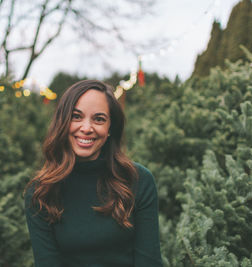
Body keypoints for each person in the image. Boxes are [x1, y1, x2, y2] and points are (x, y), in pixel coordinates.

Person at [24, 80, 163, 267]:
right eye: (76, 116)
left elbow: (149, 261)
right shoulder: (41, 192)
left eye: (98, 119)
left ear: (110, 128)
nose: (87, 128)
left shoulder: (138, 180)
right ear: (63, 122)